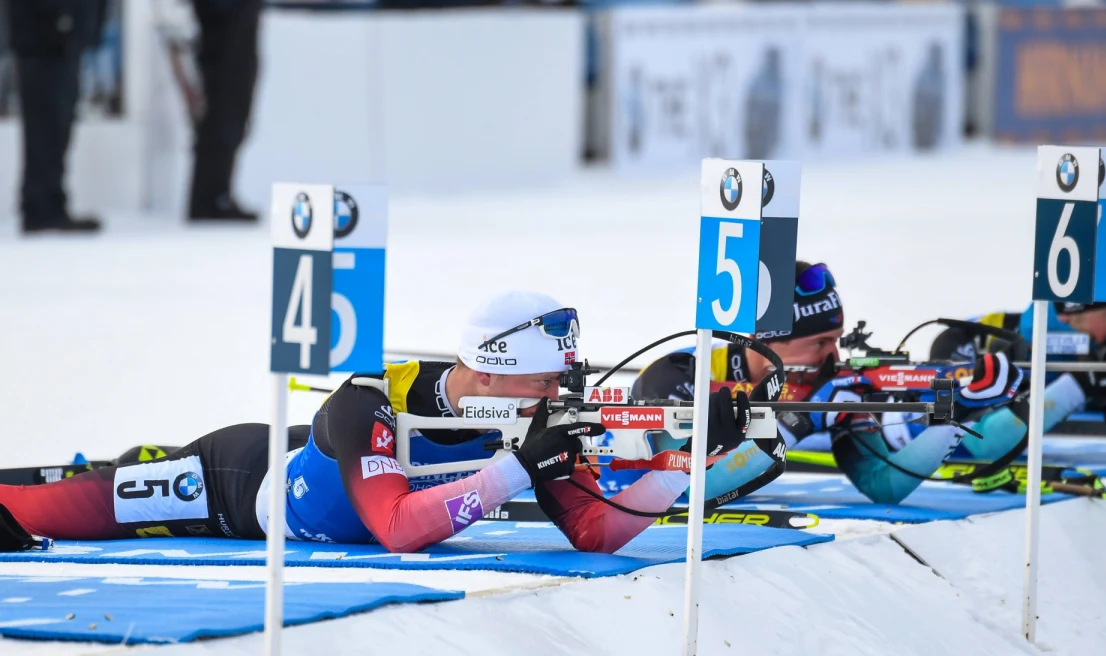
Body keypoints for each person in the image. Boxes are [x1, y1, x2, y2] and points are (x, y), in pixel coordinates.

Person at [0, 291, 756, 554]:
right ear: (487, 369)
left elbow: (594, 529)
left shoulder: (530, 417)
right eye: (545, 376)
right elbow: (395, 527)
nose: (559, 391)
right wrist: (519, 468)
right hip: (235, 488)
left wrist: (676, 470)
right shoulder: (371, 397)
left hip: (326, 488)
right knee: (55, 509)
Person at [631, 262, 1022, 505]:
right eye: (818, 343)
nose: (833, 356)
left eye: (836, 339)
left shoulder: (827, 384)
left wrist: (958, 412)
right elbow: (684, 491)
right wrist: (798, 421)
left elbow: (883, 487)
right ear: (763, 341)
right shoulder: (676, 375)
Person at [943, 259, 1106, 465]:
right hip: (959, 357)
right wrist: (1081, 384)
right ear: (1072, 312)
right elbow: (983, 445)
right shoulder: (1021, 346)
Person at [5, 0, 105, 233]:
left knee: (58, 125)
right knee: (46, 125)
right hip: (44, 36)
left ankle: (50, 204)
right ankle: (41, 207)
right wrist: (60, 14)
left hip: (60, 36)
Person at [187, 0, 262, 222]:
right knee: (227, 100)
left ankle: (214, 193)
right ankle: (211, 196)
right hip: (226, 14)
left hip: (231, 15)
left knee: (231, 101)